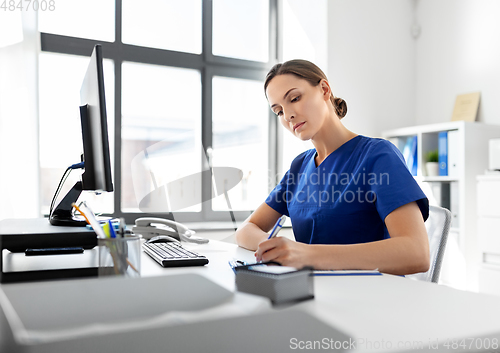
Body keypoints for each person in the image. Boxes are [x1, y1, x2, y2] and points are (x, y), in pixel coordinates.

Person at [235, 59, 430, 276]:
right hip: (312, 293)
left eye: (295, 98)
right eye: (279, 111)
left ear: (324, 90)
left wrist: (307, 255)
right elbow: (245, 230)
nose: (288, 115)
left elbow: (417, 253)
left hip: (371, 298)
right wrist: (276, 247)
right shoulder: (300, 167)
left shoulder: (378, 156)